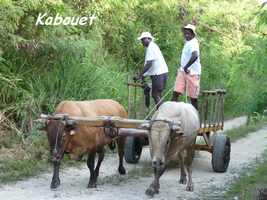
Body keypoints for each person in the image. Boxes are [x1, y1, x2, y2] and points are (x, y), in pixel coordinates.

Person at [136, 32, 169, 109]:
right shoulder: (153, 46)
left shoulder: (151, 47)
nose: (142, 41)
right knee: (159, 95)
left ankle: (163, 113)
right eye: (142, 40)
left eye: (143, 39)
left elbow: (149, 64)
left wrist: (140, 75)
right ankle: (161, 114)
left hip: (158, 74)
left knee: (155, 95)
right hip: (162, 73)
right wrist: (143, 75)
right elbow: (150, 64)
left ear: (149, 39)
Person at [172, 24, 201, 110]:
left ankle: (196, 118)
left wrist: (186, 66)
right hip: (183, 71)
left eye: (188, 34)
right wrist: (183, 68)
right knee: (176, 92)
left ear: (193, 34)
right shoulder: (187, 42)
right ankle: (171, 114)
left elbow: (195, 55)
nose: (186, 35)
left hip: (192, 73)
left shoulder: (193, 43)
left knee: (193, 98)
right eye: (185, 33)